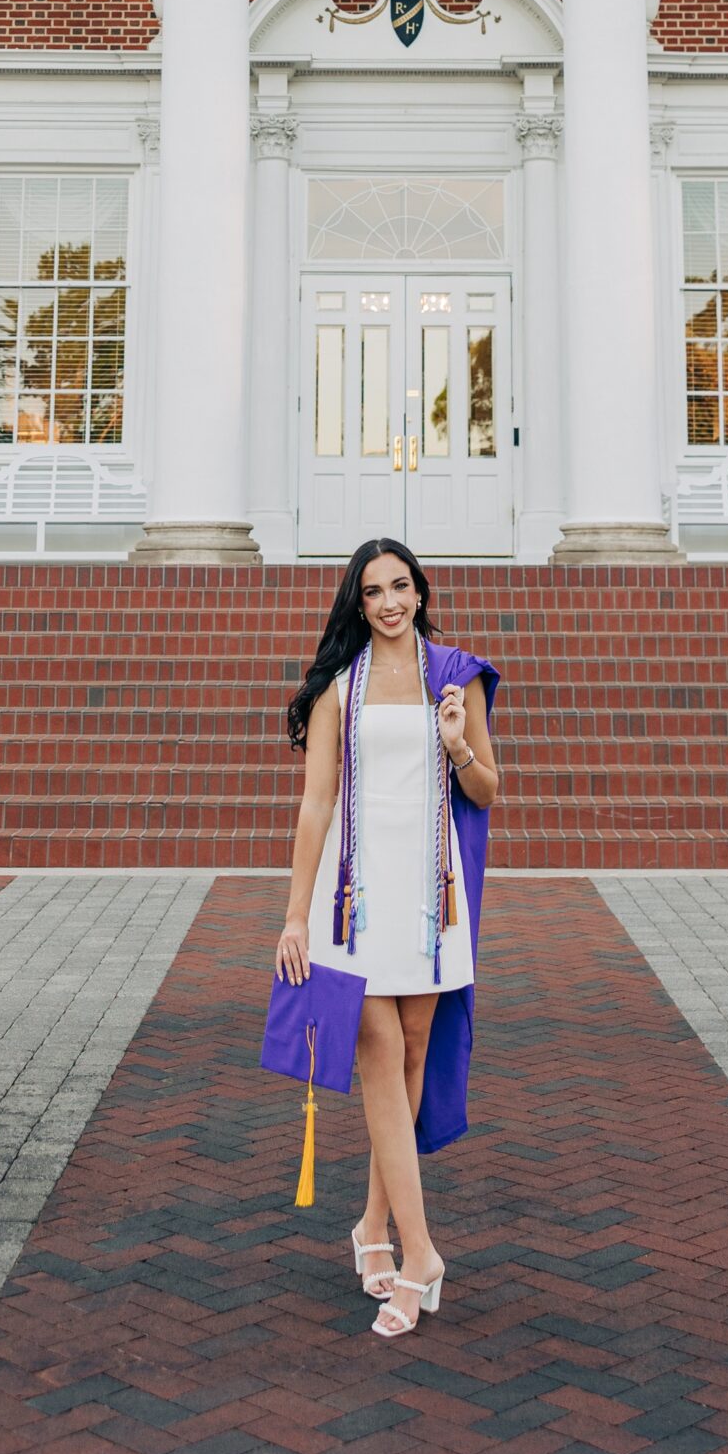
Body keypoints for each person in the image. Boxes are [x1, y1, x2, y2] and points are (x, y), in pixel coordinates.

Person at [277, 536, 500, 1341]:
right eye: (372, 592)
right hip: (354, 897)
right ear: (357, 603)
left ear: (419, 591)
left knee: (408, 1056)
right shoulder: (341, 687)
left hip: (429, 897)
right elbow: (314, 806)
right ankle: (422, 1255)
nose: (389, 603)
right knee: (375, 1046)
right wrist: (295, 913)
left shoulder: (456, 675)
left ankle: (372, 1225)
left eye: (400, 586)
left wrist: (454, 743)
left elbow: (486, 788)